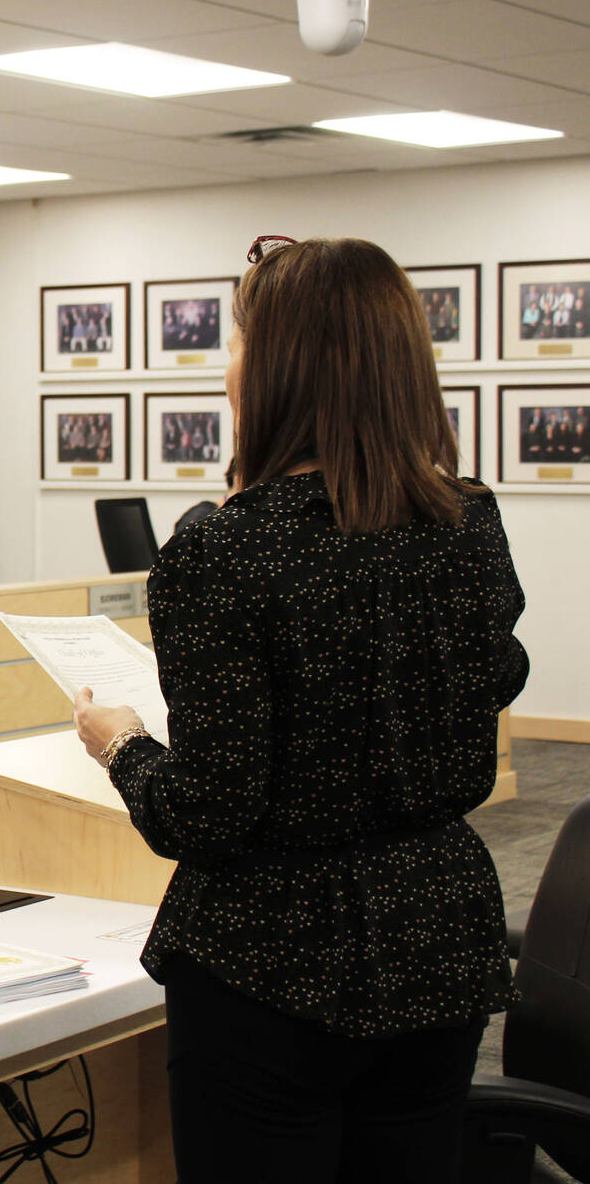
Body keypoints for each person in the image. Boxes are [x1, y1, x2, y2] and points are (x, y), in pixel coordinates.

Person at [72, 235, 527, 1184]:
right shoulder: (467, 521)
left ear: (280, 368)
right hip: (439, 930)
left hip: (272, 961)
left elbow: (209, 810)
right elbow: (501, 669)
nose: (227, 368)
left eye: (239, 341)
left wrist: (120, 746)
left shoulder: (223, 550)